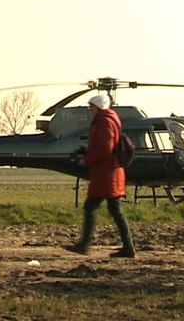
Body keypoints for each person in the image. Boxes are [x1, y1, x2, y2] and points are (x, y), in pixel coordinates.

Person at [66, 95, 136, 258]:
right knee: (115, 210)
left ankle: (85, 244)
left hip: (106, 173)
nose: (89, 110)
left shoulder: (104, 121)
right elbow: (103, 145)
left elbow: (105, 148)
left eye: (91, 107)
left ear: (98, 107)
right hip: (109, 172)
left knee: (90, 207)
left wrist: (86, 160)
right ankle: (128, 247)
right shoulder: (107, 120)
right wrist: (86, 150)